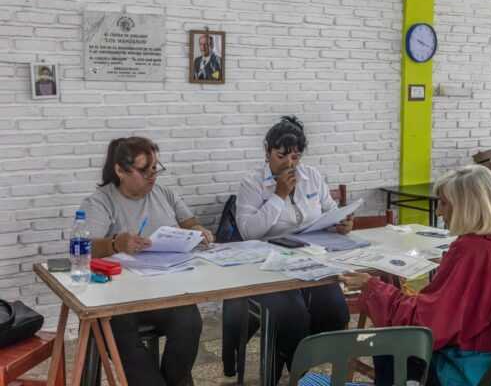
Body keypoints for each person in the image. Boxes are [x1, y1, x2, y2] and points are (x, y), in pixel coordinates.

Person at [340, 165, 491, 386]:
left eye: (444, 203)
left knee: (386, 342)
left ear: (466, 207)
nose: (439, 212)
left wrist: (373, 287)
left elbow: (428, 325)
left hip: (480, 371)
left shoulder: (473, 250)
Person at [80, 136, 214, 386]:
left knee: (189, 320)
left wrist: (199, 231)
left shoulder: (164, 193)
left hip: (163, 290)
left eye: (155, 169)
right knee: (121, 335)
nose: (152, 177)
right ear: (120, 170)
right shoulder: (100, 201)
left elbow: (190, 222)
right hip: (118, 298)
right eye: (144, 171)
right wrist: (115, 243)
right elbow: (82, 247)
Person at [234, 115, 352, 382]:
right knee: (293, 316)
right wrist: (279, 195)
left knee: (335, 311)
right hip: (268, 265)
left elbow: (329, 211)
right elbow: (249, 231)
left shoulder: (312, 176)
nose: (289, 164)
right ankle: (293, 366)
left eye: (295, 157)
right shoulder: (251, 183)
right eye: (281, 156)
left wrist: (340, 223)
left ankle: (300, 360)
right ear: (267, 152)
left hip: (311, 260)